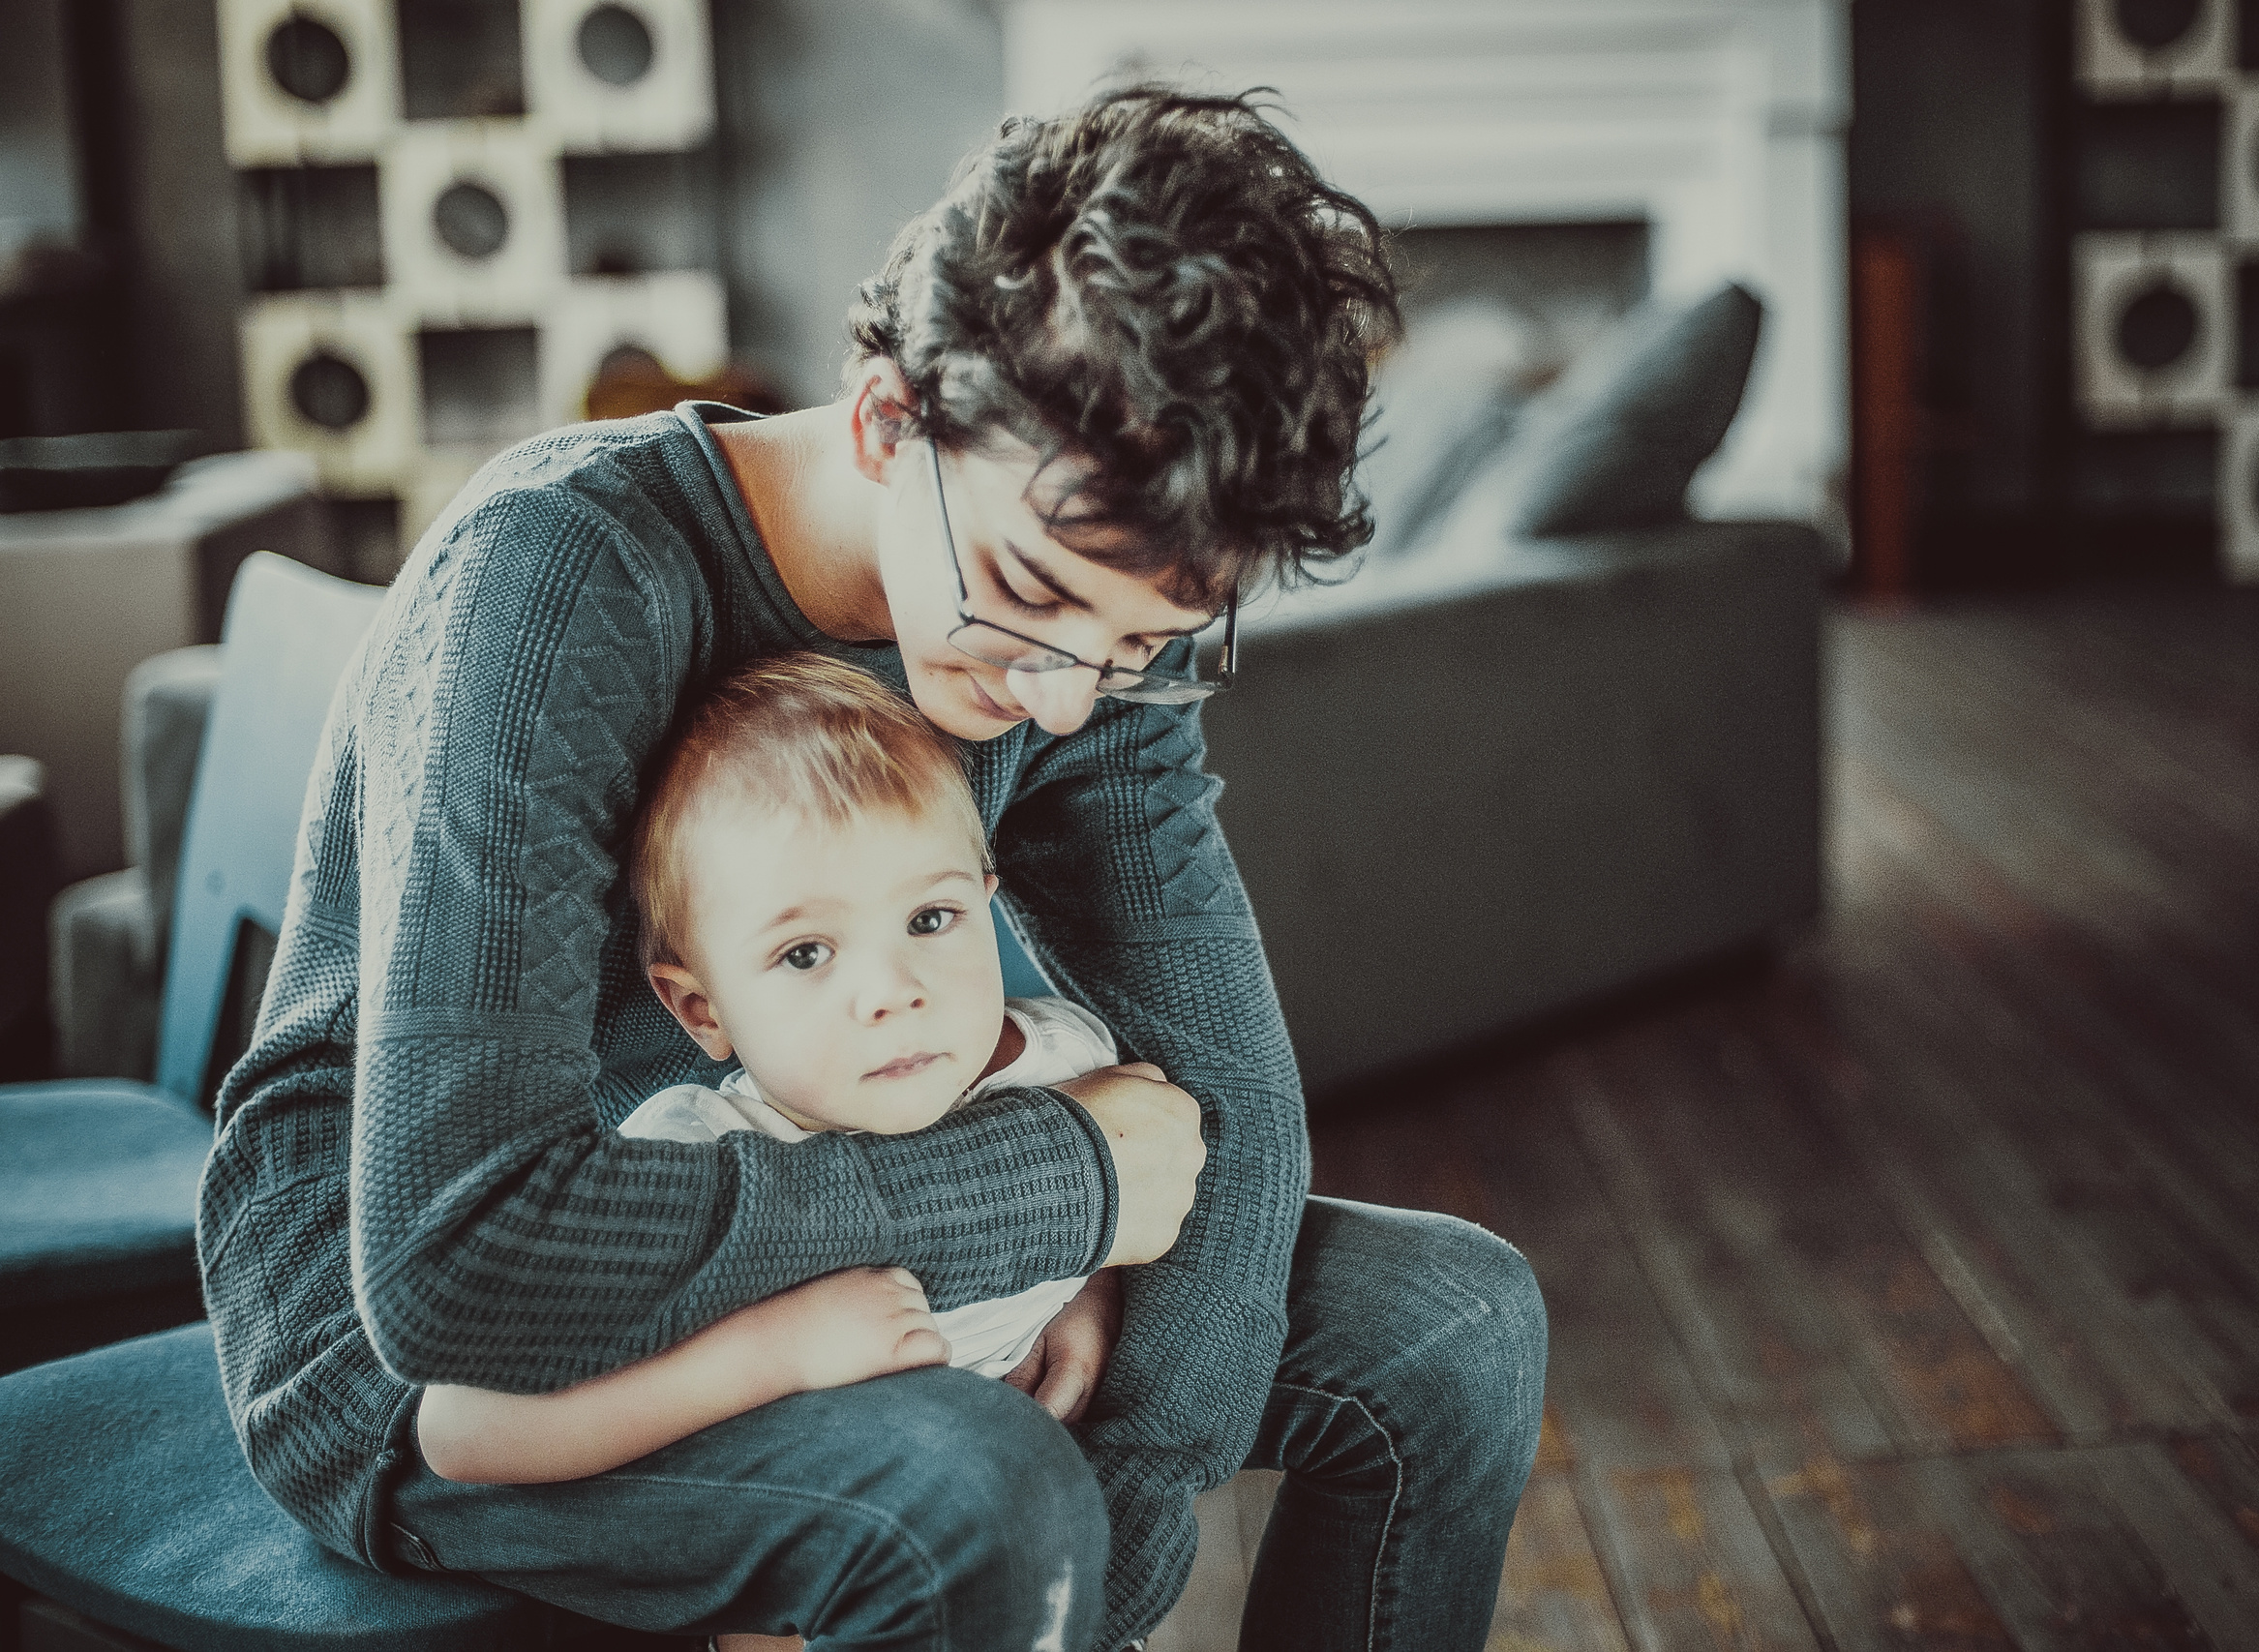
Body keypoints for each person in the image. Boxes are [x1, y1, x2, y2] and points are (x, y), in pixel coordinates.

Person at [200, 85, 1547, 1652]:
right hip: (440, 1375)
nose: (1062, 696)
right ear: (887, 417)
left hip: (869, 1254)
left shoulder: (1078, 659)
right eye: (1039, 595)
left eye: (1139, 641)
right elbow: (453, 1262)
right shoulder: (563, 575)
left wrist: (1126, 1455)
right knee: (980, 1496)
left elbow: (1224, 1118)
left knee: (1454, 1327)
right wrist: (1056, 1188)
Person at [412, 652, 1139, 1501]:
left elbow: (1142, 1203)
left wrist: (1087, 1292)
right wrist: (778, 1352)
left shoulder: (1068, 1064)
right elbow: (461, 1427)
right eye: (805, 952)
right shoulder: (694, 1156)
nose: (893, 992)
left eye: (930, 917)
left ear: (987, 901)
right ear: (702, 1010)